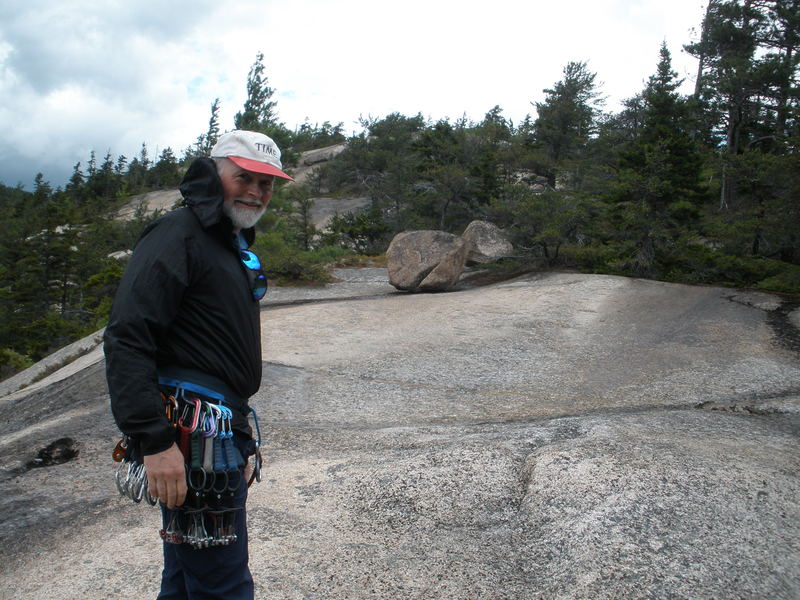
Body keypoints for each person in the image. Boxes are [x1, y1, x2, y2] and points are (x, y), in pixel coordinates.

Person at [104, 130, 293, 599]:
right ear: (214, 174)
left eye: (266, 183)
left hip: (220, 427)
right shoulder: (178, 233)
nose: (256, 191)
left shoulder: (229, 241)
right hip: (191, 433)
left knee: (188, 573)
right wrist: (154, 441)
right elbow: (128, 337)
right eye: (243, 177)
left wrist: (240, 435)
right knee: (222, 582)